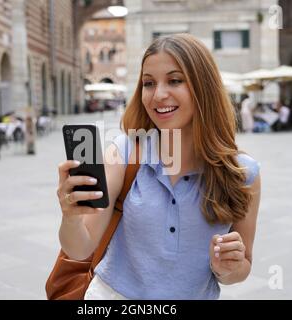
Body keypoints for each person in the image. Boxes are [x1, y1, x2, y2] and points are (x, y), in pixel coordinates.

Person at [55, 34, 261, 300]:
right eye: (148, 83)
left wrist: (228, 268)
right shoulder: (125, 151)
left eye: (175, 80)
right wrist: (70, 216)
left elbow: (243, 267)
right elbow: (80, 248)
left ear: (204, 87)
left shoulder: (244, 173)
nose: (158, 95)